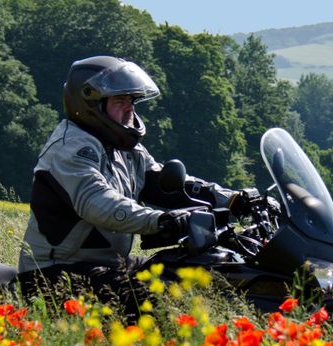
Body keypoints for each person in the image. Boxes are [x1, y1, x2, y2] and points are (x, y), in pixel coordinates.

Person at [17, 56, 252, 320]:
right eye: (120, 101)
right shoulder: (71, 149)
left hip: (106, 265)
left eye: (132, 100)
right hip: (55, 273)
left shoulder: (124, 147)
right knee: (156, 303)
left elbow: (168, 184)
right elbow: (100, 204)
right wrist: (161, 220)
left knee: (189, 272)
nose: (129, 108)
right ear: (91, 103)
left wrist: (233, 199)